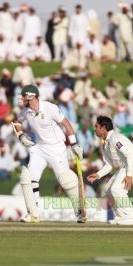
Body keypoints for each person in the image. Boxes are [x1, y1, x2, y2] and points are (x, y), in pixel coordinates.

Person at [12, 84, 85, 223]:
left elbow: (66, 124)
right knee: (29, 178)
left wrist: (74, 144)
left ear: (31, 96)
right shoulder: (26, 111)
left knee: (66, 181)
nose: (22, 99)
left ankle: (80, 211)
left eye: (24, 96)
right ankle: (33, 213)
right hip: (39, 148)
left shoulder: (50, 107)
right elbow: (16, 121)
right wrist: (21, 135)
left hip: (57, 148)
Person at [87, 116, 133, 225]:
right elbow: (109, 165)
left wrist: (129, 175)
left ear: (103, 127)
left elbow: (129, 155)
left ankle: (132, 218)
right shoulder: (104, 144)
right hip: (125, 167)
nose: (94, 129)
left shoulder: (115, 138)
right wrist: (98, 174)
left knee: (116, 189)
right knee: (108, 189)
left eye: (96, 126)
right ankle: (121, 216)